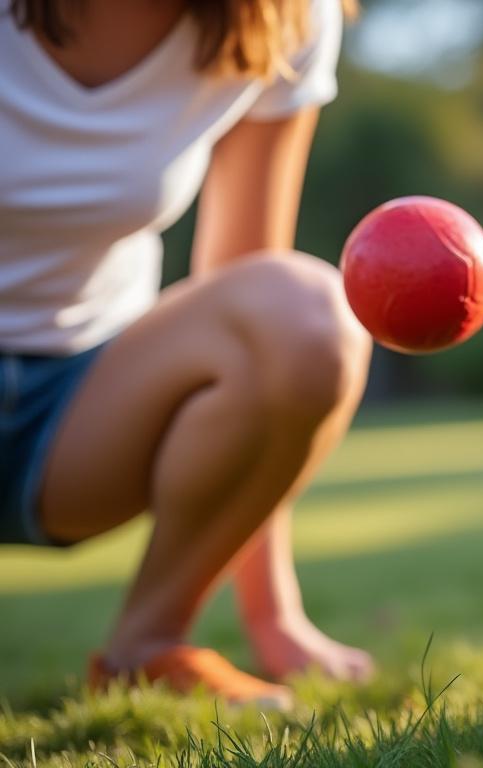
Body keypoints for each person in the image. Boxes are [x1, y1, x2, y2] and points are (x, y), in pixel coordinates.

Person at [0, 0, 373, 708]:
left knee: (303, 315)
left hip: (78, 419)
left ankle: (147, 648)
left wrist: (274, 615)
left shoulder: (284, 16)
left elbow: (256, 311)